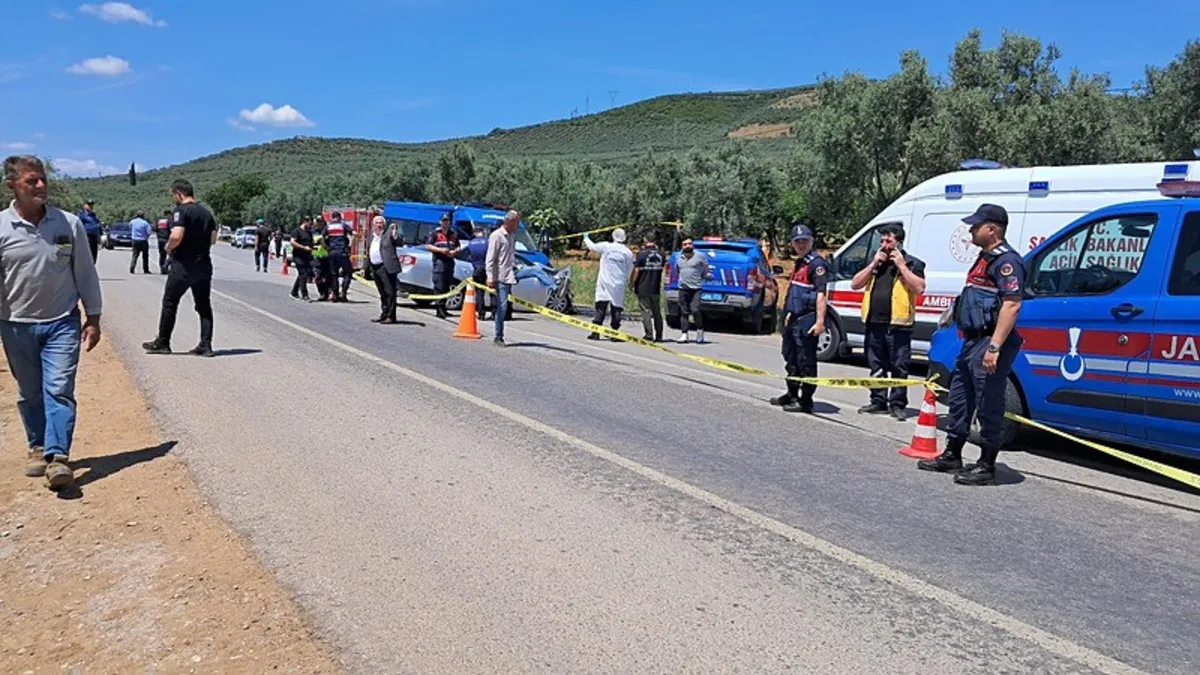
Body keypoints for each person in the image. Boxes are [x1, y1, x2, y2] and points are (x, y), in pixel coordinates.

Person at [0, 155, 103, 491]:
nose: (42, 185)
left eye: (43, 178)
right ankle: (38, 447)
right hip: (15, 324)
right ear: (12, 185)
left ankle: (57, 458)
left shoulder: (67, 223)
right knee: (30, 392)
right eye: (32, 181)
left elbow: (85, 273)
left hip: (62, 321)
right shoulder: (2, 227)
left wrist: (94, 316)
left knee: (58, 388)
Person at [918, 204, 1025, 486]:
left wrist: (995, 347)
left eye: (976, 226)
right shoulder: (983, 259)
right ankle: (953, 453)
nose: (970, 230)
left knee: (988, 401)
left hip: (989, 341)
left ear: (992, 229)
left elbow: (1012, 305)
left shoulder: (1007, 262)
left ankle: (986, 464)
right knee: (959, 397)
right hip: (971, 341)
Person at [850, 223, 926, 420]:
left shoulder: (912, 263)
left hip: (898, 325)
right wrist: (873, 263)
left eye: (888, 240)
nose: (884, 244)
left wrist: (901, 266)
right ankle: (878, 400)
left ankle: (898, 404)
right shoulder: (876, 261)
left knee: (899, 366)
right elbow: (855, 283)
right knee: (876, 365)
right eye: (882, 240)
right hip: (874, 322)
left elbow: (919, 288)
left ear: (898, 242)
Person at [142, 179, 217, 357]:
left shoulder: (180, 211)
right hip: (204, 265)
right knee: (204, 305)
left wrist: (168, 248)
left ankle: (163, 342)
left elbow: (176, 235)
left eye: (172, 195)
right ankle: (205, 345)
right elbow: (213, 239)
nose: (173, 199)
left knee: (170, 302)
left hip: (183, 265)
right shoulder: (207, 213)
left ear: (179, 194)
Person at [770, 224, 829, 415]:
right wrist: (789, 312)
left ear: (811, 241)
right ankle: (792, 393)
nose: (801, 244)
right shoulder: (800, 263)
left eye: (804, 241)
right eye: (797, 242)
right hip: (794, 318)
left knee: (806, 361)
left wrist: (820, 322)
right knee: (791, 358)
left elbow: (821, 295)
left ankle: (806, 401)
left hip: (807, 320)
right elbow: (795, 292)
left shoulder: (816, 265)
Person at [583, 227, 634, 340]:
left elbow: (592, 247)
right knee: (616, 307)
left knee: (601, 306)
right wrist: (629, 281)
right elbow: (631, 268)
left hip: (604, 282)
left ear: (613, 236)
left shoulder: (606, 246)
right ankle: (614, 333)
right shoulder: (628, 252)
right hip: (619, 284)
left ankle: (596, 332)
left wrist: (586, 238)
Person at [486, 210, 520, 346]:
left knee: (534, 270)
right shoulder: (497, 236)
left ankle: (553, 286)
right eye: (516, 222)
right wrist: (490, 277)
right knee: (502, 307)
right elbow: (490, 258)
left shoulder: (512, 236)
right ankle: (498, 336)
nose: (517, 225)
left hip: (512, 273)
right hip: (500, 276)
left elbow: (511, 255)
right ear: (510, 221)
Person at [425, 212, 461, 319]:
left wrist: (456, 251)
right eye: (444, 221)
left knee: (447, 285)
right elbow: (428, 246)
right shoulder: (435, 233)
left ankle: (444, 308)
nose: (446, 223)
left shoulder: (453, 234)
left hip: (450, 262)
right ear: (440, 222)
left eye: (447, 221)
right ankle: (439, 309)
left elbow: (458, 246)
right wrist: (440, 250)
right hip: (439, 262)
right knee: (439, 285)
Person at [674, 238, 709, 343]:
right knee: (684, 312)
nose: (687, 246)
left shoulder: (699, 256)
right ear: (682, 246)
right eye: (685, 244)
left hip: (696, 288)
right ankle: (684, 334)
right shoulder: (679, 257)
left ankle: (700, 330)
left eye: (689, 244)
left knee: (695, 309)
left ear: (692, 245)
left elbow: (706, 268)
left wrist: (703, 277)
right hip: (683, 288)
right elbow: (678, 270)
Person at [633, 231, 665, 342]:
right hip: (655, 287)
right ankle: (659, 335)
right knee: (657, 312)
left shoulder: (641, 254)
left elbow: (636, 271)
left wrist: (632, 283)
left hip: (643, 287)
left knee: (645, 311)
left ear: (645, 240)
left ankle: (649, 334)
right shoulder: (661, 254)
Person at [369, 216, 401, 324]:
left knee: (390, 292)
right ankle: (384, 313)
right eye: (376, 223)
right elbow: (368, 252)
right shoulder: (372, 237)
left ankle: (391, 316)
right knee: (382, 293)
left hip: (386, 267)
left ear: (384, 224)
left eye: (380, 223)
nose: (379, 224)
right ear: (373, 225)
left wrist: (395, 234)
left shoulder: (388, 234)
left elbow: (398, 240)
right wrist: (365, 268)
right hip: (375, 267)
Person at [323, 212, 354, 302]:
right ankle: (343, 293)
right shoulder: (343, 225)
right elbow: (354, 233)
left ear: (332, 218)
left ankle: (335, 294)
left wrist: (327, 248)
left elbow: (322, 237)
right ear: (340, 217)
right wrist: (350, 246)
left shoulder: (328, 227)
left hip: (332, 252)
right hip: (342, 252)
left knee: (334, 274)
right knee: (348, 273)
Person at [290, 216, 315, 302]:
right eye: (310, 223)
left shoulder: (309, 232)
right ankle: (305, 295)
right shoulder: (297, 231)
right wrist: (304, 247)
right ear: (305, 222)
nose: (311, 226)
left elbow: (311, 243)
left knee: (302, 275)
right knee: (303, 274)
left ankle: (294, 292)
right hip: (298, 256)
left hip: (307, 256)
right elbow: (292, 242)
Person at [468, 226, 490, 321]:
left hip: (476, 269)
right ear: (483, 232)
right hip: (486, 269)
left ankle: (481, 314)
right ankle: (494, 312)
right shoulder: (487, 242)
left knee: (479, 293)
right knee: (492, 292)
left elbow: (469, 257)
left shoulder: (471, 243)